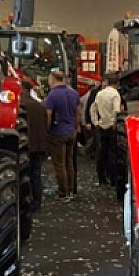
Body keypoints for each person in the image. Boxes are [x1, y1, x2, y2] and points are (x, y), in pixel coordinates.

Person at [43, 71, 80, 199]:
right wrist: (76, 127)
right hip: (71, 131)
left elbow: (48, 114)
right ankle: (71, 189)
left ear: (53, 80)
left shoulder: (52, 95)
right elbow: (77, 113)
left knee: (59, 164)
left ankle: (63, 192)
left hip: (57, 132)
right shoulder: (74, 93)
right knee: (69, 162)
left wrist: (46, 130)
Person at [89, 78, 124, 189]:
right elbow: (116, 110)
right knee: (113, 153)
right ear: (117, 84)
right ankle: (113, 179)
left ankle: (101, 178)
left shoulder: (100, 94)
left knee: (101, 152)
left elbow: (92, 108)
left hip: (101, 126)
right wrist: (114, 122)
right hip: (111, 126)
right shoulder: (115, 94)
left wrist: (95, 122)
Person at [21, 84, 51, 213]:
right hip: (39, 144)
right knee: (36, 175)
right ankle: (37, 202)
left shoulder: (21, 105)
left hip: (26, 146)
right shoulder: (39, 105)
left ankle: (26, 202)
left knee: (24, 175)